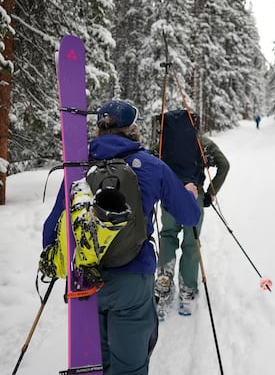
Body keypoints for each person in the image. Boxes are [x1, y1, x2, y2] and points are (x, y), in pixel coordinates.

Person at [42, 100, 200, 375]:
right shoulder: (151, 165)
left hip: (86, 282)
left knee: (96, 366)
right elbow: (189, 216)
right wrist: (189, 192)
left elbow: (50, 232)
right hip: (133, 282)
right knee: (130, 368)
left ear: (100, 129)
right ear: (133, 129)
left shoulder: (79, 168)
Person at [156, 132, 229, 315]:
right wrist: (211, 192)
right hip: (194, 195)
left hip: (169, 196)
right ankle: (187, 291)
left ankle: (164, 283)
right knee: (191, 241)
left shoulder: (166, 139)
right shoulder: (202, 142)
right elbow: (224, 165)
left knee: (167, 235)